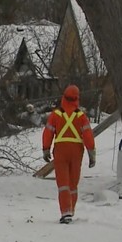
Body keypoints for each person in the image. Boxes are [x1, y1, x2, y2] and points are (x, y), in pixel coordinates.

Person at [42, 84, 96, 224]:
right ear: (77, 98)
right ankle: (71, 210)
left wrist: (46, 148)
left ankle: (65, 212)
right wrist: (92, 153)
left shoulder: (56, 115)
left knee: (63, 183)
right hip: (77, 151)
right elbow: (88, 135)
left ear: (64, 97)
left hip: (61, 150)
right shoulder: (81, 116)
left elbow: (48, 132)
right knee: (73, 183)